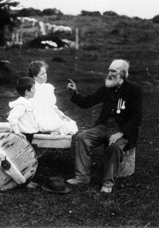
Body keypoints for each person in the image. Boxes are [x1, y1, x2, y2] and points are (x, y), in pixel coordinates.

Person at [67, 59, 142, 193]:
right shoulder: (108, 87)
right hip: (104, 126)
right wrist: (75, 93)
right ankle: (82, 177)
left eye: (113, 71)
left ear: (123, 73)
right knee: (81, 138)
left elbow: (136, 118)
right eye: (108, 70)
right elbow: (87, 102)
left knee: (114, 146)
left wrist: (120, 133)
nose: (109, 74)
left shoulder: (134, 90)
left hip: (121, 129)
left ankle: (108, 183)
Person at [28, 60, 78, 135]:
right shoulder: (33, 89)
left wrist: (60, 114)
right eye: (42, 74)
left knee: (70, 123)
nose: (45, 76)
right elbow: (37, 107)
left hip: (49, 113)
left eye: (45, 73)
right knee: (66, 127)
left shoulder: (47, 87)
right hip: (41, 115)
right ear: (35, 76)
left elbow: (51, 105)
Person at [7, 77, 39, 188]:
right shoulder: (21, 105)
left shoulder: (27, 103)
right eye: (33, 88)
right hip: (24, 135)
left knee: (27, 158)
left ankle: (26, 179)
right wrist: (17, 132)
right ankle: (23, 180)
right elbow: (12, 118)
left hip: (29, 134)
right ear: (27, 92)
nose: (35, 90)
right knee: (22, 159)